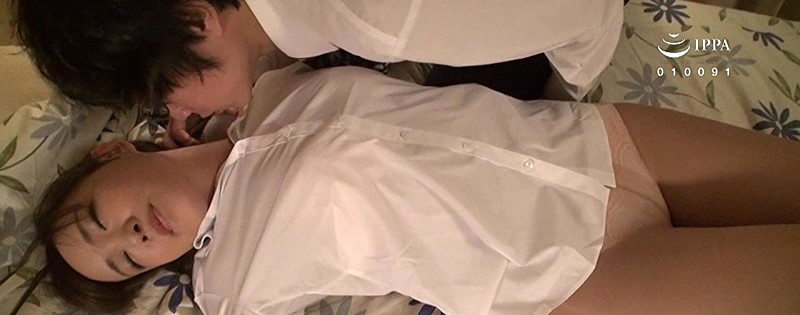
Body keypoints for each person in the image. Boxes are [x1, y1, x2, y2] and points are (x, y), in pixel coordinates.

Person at [35, 64, 800, 315]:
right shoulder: (231, 275)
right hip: (586, 271)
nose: (132, 240)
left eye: (100, 219)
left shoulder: (257, 89)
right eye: (124, 262)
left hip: (603, 139)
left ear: (110, 152)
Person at [13, 0, 623, 146]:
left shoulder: (378, 20)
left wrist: (563, 99)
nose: (176, 114)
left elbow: (587, 16)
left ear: (196, 21)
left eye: (160, 95)